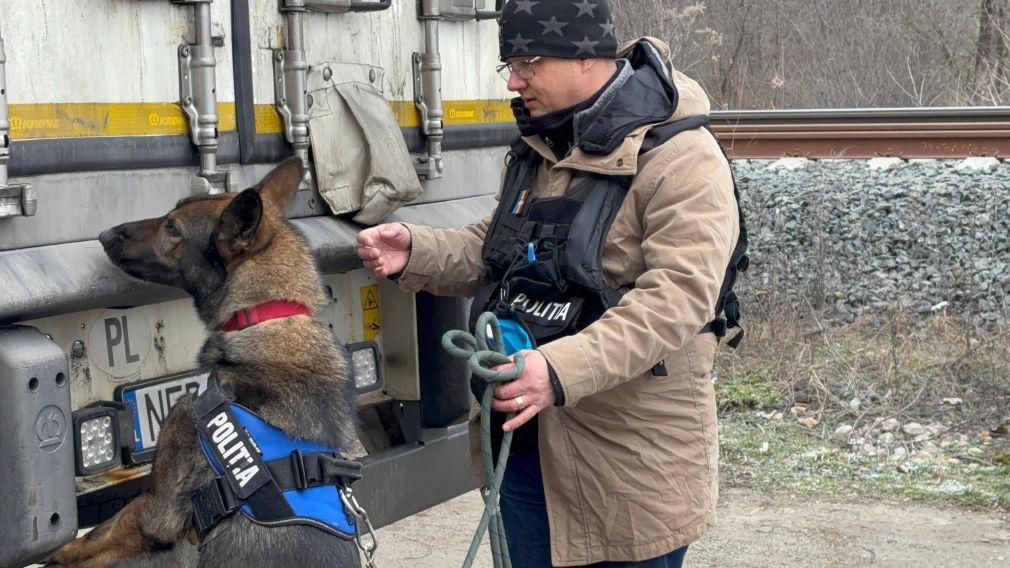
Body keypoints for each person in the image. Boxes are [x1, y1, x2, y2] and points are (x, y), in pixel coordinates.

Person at [357, 1, 743, 566]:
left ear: (587, 55)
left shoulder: (679, 155)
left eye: (527, 62)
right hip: (526, 441)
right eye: (508, 66)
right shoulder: (543, 142)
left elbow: (677, 299)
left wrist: (558, 370)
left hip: (628, 457)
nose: (514, 81)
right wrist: (418, 249)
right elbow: (501, 250)